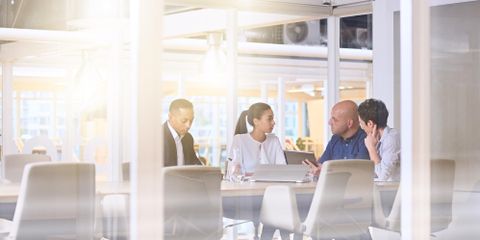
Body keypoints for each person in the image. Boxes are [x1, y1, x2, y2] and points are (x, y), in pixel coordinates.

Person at [304, 100, 370, 176]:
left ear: (349, 123)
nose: (329, 122)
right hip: (333, 186)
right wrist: (315, 167)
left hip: (355, 187)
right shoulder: (335, 139)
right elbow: (322, 164)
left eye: (334, 119)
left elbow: (358, 171)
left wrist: (326, 171)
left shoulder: (365, 139)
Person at [228, 102, 286, 175]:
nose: (273, 122)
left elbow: (283, 170)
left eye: (273, 119)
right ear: (256, 121)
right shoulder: (239, 140)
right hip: (246, 186)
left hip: (270, 185)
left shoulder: (274, 140)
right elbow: (233, 173)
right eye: (269, 119)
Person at [358, 98, 400, 181]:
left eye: (361, 123)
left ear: (370, 124)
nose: (361, 127)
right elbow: (374, 173)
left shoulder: (391, 139)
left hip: (395, 191)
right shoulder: (378, 139)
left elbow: (382, 177)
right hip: (386, 189)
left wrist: (371, 149)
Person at [163, 98, 200, 166]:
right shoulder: (158, 137)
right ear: (170, 117)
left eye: (191, 120)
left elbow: (195, 163)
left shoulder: (188, 138)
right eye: (184, 121)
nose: (188, 126)